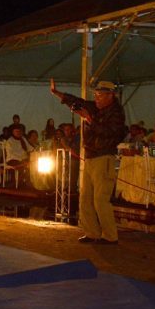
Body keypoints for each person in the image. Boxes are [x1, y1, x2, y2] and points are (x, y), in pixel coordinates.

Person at [50, 79, 127, 244]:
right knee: (85, 198)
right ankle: (92, 232)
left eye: (100, 95)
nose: (96, 98)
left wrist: (90, 120)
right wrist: (58, 94)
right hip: (91, 157)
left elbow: (110, 133)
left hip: (104, 157)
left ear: (110, 96)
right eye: (96, 95)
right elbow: (77, 102)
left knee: (100, 199)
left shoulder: (116, 113)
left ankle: (110, 236)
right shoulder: (95, 108)